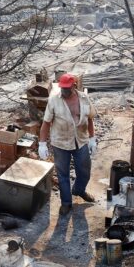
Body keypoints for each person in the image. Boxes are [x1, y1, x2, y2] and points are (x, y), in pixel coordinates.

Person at [38, 73, 98, 216]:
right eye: (62, 88)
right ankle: (66, 203)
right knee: (63, 174)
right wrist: (42, 144)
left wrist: (92, 139)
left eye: (67, 88)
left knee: (84, 171)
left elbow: (90, 119)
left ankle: (79, 190)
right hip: (60, 142)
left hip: (81, 140)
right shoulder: (53, 101)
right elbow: (46, 123)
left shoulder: (84, 98)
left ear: (74, 86)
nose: (64, 91)